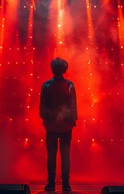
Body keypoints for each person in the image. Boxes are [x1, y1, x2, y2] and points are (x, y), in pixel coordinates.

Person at [40, 57, 77, 192]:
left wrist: (47, 120)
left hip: (51, 126)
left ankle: (51, 184)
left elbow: (42, 106)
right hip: (66, 126)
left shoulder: (46, 85)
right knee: (65, 155)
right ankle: (66, 184)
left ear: (52, 69)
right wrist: (71, 121)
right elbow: (73, 106)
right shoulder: (70, 85)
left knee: (51, 155)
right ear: (64, 70)